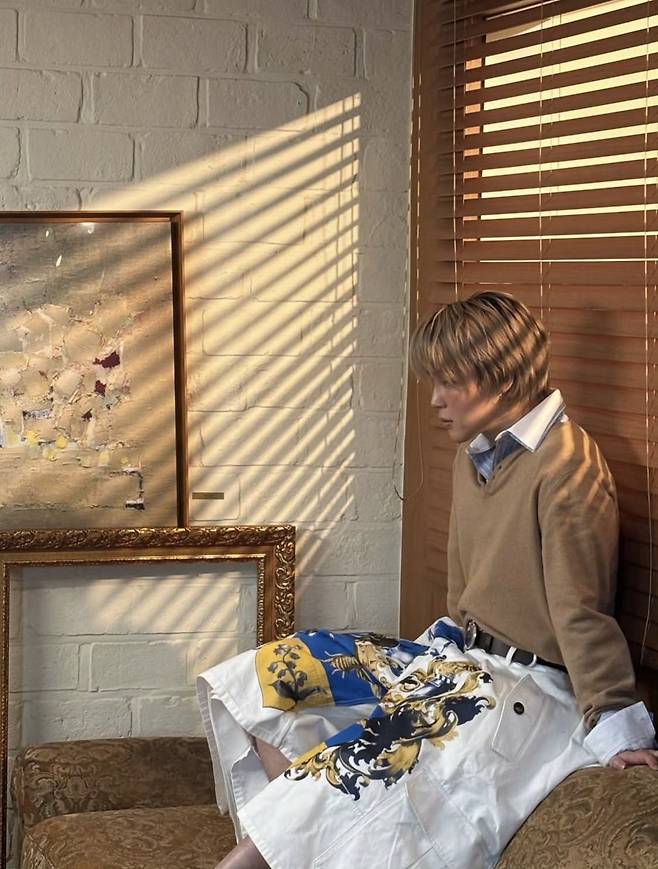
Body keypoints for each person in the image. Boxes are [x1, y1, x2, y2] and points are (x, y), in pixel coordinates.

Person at [197, 291, 658, 869]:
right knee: (274, 675)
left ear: (501, 377)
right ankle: (313, 838)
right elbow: (464, 590)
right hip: (460, 655)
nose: (435, 399)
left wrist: (615, 720)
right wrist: (431, 659)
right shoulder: (477, 455)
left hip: (527, 687)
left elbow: (581, 610)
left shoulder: (567, 465)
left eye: (450, 382)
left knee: (357, 767)